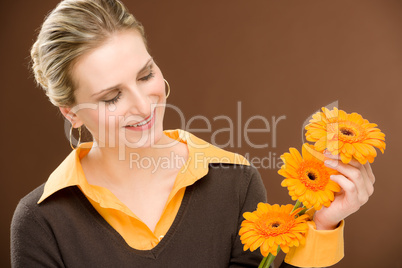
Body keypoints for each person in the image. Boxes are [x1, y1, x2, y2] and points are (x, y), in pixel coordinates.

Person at [10, 0, 375, 267]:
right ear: (71, 113)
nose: (144, 105)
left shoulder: (236, 183)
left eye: (145, 75)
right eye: (111, 96)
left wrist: (322, 225)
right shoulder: (41, 222)